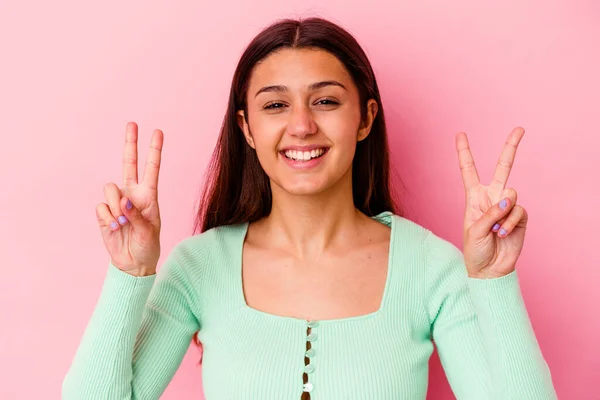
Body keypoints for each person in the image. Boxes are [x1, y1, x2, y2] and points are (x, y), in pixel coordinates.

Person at [62, 17, 557, 400]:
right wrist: (130, 273)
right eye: (276, 105)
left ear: (365, 118)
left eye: (325, 101)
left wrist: (494, 281)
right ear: (247, 128)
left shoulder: (432, 268)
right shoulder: (199, 267)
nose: (301, 126)